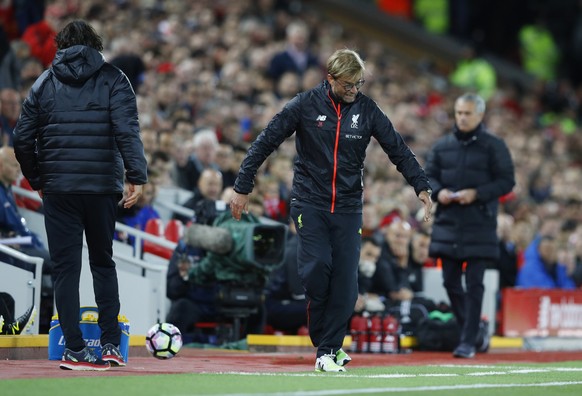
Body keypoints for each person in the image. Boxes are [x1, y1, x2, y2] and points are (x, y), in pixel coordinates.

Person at [230, 48, 433, 372]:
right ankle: (324, 336)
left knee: (347, 284)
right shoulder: (305, 105)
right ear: (331, 79)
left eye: (359, 84)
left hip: (349, 206)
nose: (354, 90)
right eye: (349, 84)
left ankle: (328, 349)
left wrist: (421, 186)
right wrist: (243, 186)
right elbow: (265, 141)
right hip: (309, 201)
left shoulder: (367, 110)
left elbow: (398, 149)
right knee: (316, 269)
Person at [13, 20, 147, 371]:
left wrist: (37, 177)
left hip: (59, 188)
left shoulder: (43, 83)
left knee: (65, 269)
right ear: (95, 43)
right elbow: (127, 131)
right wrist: (137, 175)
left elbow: (21, 139)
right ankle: (109, 345)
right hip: (102, 186)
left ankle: (74, 348)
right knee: (103, 263)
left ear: (60, 45)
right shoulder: (114, 79)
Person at [425, 92, 515, 359]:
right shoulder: (442, 146)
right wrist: (438, 191)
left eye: (467, 113)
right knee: (450, 281)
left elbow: (507, 181)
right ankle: (473, 331)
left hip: (479, 222)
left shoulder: (494, 146)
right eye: (459, 113)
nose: (462, 118)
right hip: (449, 222)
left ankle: (467, 341)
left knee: (475, 283)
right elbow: (428, 175)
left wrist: (477, 193)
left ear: (480, 115)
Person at [0, 146, 54, 333]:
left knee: (56, 261)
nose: (17, 170)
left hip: (19, 246)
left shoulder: (8, 190)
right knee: (53, 262)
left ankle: (45, 318)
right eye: (13, 165)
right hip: (8, 250)